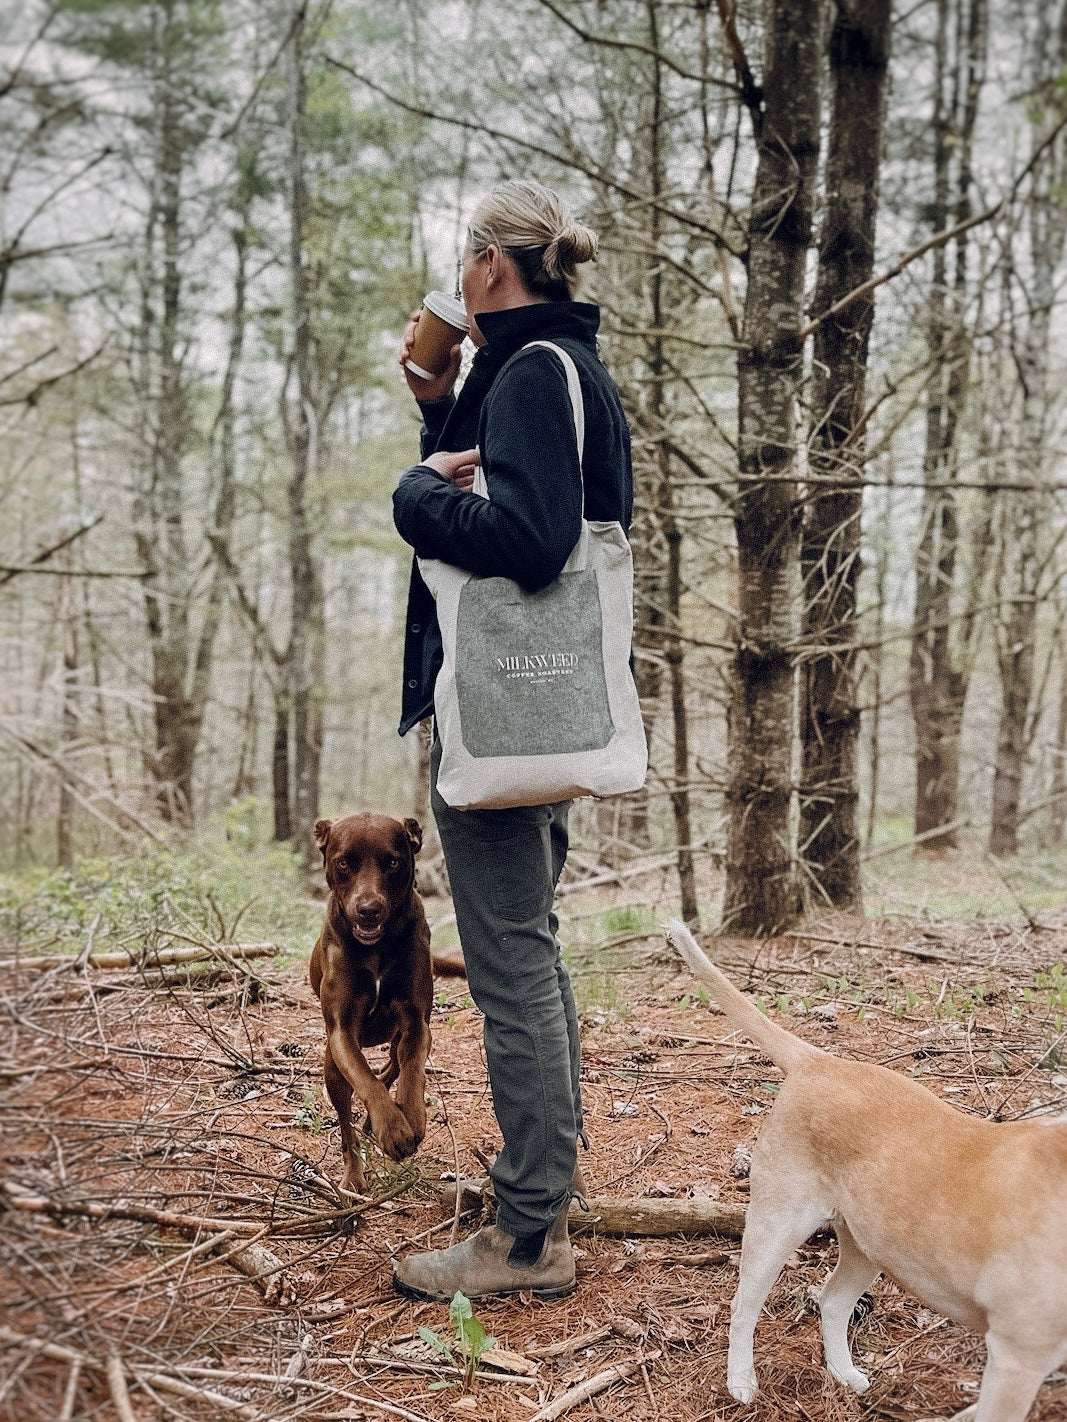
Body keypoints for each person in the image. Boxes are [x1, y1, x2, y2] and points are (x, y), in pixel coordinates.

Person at [390, 179, 633, 1301]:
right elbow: (500, 485)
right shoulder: (550, 368)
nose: (459, 274)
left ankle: (528, 1234)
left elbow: (528, 543)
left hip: (501, 713)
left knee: (510, 967)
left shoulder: (535, 374)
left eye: (463, 255)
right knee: (527, 951)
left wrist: (411, 497)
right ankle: (546, 1198)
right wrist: (438, 398)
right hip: (538, 707)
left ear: (493, 265)